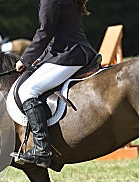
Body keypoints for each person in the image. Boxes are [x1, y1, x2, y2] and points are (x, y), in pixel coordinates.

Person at [12, 0, 97, 168]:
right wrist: (41, 58)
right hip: (73, 51)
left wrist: (25, 58)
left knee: (28, 90)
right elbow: (56, 34)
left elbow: (45, 31)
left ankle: (41, 149)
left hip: (69, 55)